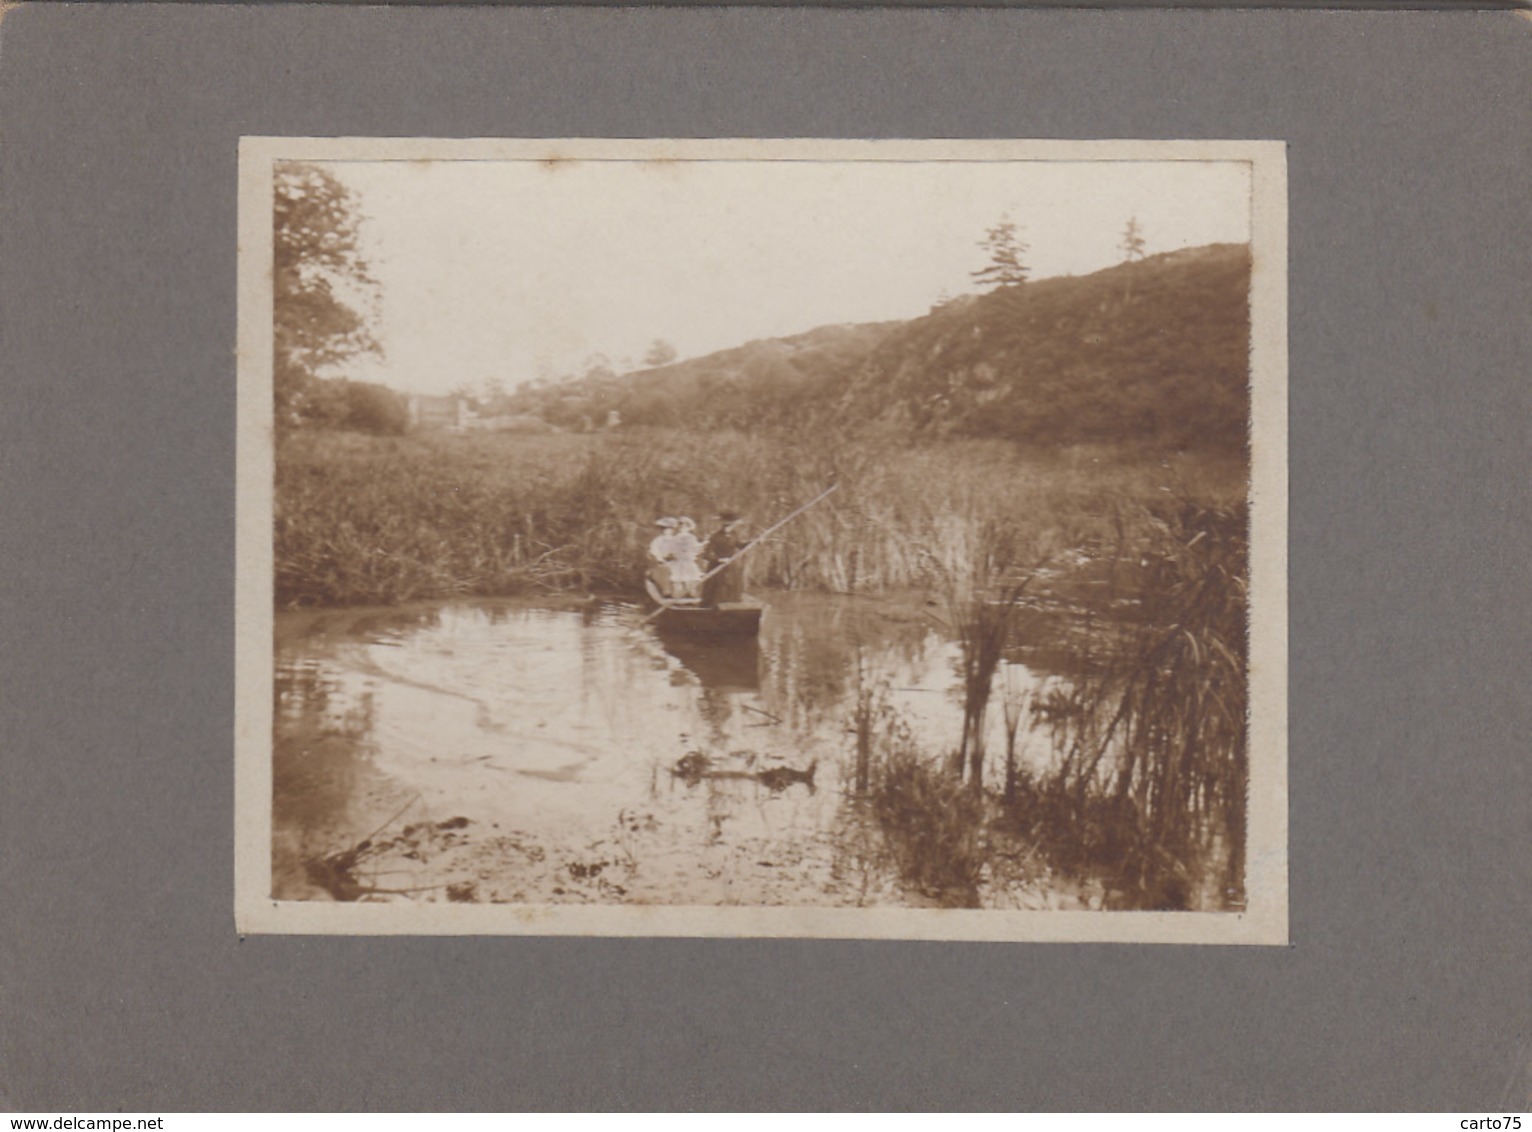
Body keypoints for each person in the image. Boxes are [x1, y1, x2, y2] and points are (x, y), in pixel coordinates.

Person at [702, 511, 750, 606]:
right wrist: (719, 560)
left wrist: (753, 542)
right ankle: (714, 608)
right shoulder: (715, 537)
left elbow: (740, 545)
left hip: (731, 567)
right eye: (726, 526)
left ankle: (731, 607)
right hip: (717, 568)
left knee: (732, 588)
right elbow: (706, 555)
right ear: (723, 525)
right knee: (719, 591)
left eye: (730, 526)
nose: (728, 528)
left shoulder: (734, 535)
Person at [669, 516, 704, 600]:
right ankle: (678, 597)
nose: (682, 528)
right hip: (679, 561)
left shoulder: (691, 537)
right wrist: (676, 552)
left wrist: (701, 546)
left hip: (688, 560)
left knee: (690, 579)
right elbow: (672, 548)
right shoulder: (675, 537)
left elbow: (696, 549)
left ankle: (692, 596)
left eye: (685, 526)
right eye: (681, 526)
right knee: (678, 580)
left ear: (688, 527)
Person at [647, 517, 678, 598]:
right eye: (664, 529)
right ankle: (666, 592)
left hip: (675, 562)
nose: (667, 531)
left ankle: (683, 593)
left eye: (670, 529)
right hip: (662, 563)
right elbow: (654, 551)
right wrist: (660, 559)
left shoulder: (676, 540)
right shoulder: (658, 541)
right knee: (664, 570)